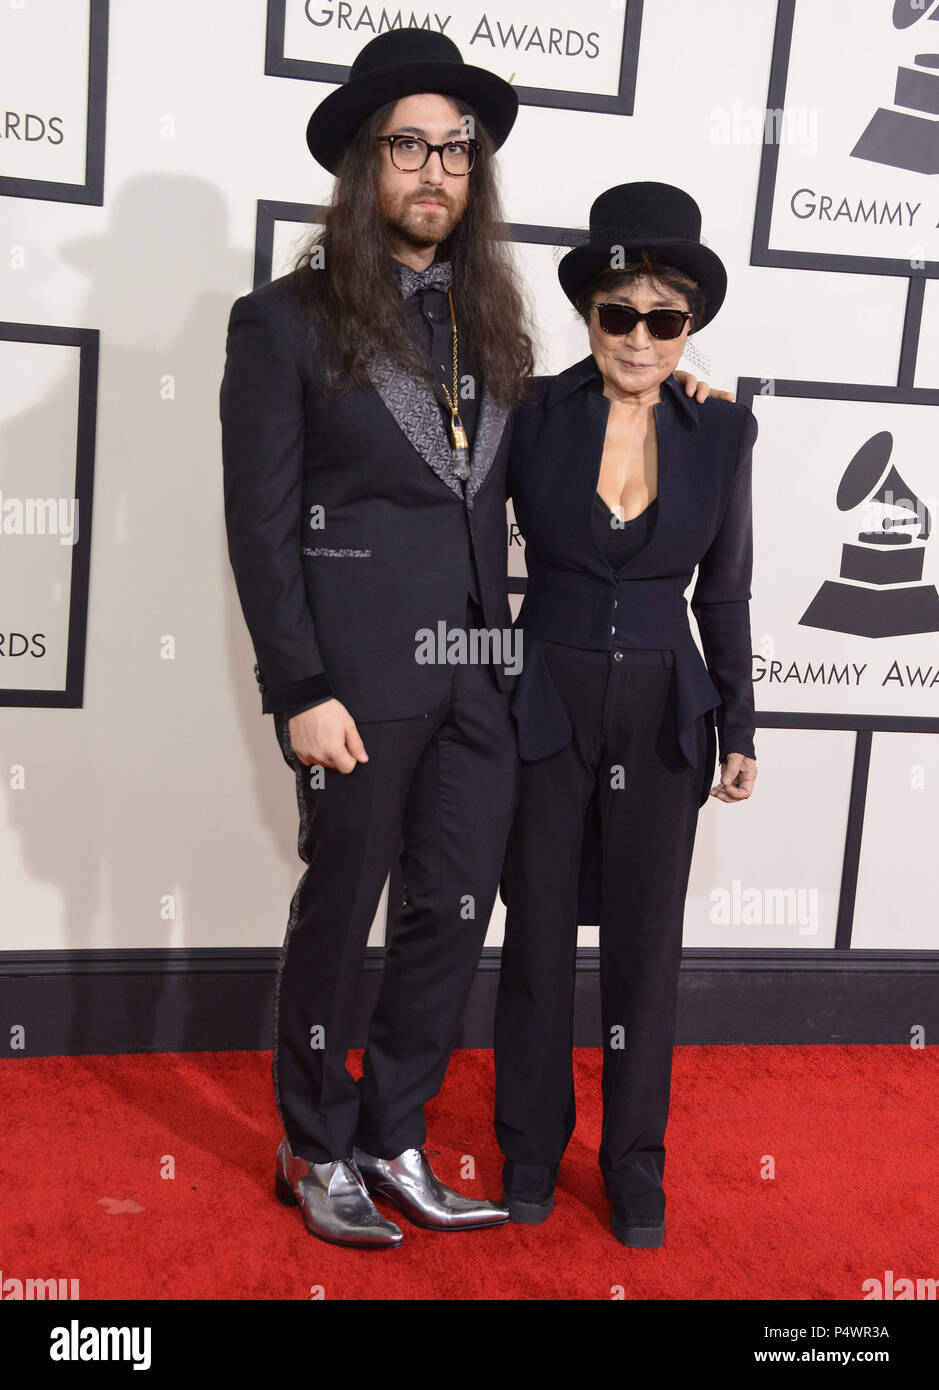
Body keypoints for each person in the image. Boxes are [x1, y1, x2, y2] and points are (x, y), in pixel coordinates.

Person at [494, 182, 758, 1249]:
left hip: (664, 714)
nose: (642, 339)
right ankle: (525, 1149)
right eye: (621, 314)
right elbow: (472, 564)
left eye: (666, 319)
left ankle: (635, 1161)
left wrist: (739, 724)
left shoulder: (722, 429)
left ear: (688, 325)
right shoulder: (529, 413)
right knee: (538, 938)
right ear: (590, 312)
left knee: (647, 948)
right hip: (541, 704)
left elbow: (726, 591)